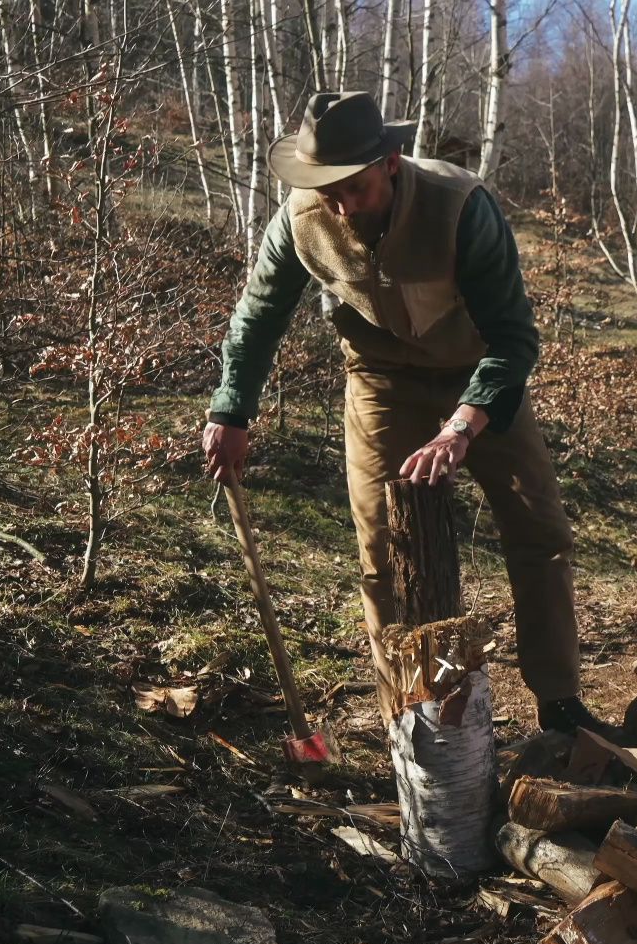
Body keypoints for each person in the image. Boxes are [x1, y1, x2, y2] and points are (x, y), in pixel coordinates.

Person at [199, 91, 598, 733]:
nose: (340, 205)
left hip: (478, 375)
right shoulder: (302, 219)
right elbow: (257, 318)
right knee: (382, 548)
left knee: (540, 531)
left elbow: (515, 338)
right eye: (326, 190)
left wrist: (462, 427)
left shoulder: (461, 205)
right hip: (382, 380)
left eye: (353, 188)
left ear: (390, 162)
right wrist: (232, 410)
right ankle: (411, 716)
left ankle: (559, 704)